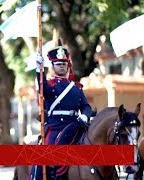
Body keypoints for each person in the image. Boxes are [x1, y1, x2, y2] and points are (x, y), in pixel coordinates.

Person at [30, 39, 92, 180]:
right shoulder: (50, 84)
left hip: (76, 125)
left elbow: (86, 106)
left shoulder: (76, 87)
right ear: (53, 66)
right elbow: (42, 87)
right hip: (56, 126)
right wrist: (39, 69)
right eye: (58, 64)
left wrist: (85, 116)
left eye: (64, 64)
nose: (62, 67)